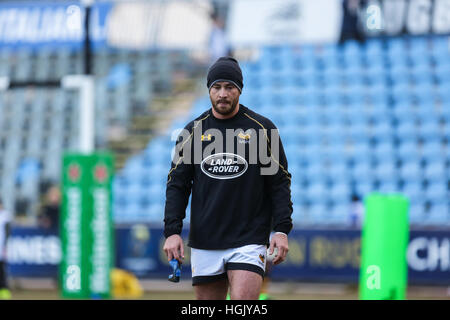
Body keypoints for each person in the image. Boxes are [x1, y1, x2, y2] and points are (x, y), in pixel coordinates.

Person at [163, 57, 293, 300]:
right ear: (209, 90)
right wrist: (172, 231)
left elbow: (279, 183)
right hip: (205, 240)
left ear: (240, 90)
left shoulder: (262, 130)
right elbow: (177, 185)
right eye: (217, 87)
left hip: (249, 240)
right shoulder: (191, 132)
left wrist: (281, 230)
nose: (223, 94)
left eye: (229, 87)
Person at [0, 199, 12, 299]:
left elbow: (8, 232)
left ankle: (4, 293)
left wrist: (5, 246)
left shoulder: (4, 216)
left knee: (2, 272)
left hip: (1, 248)